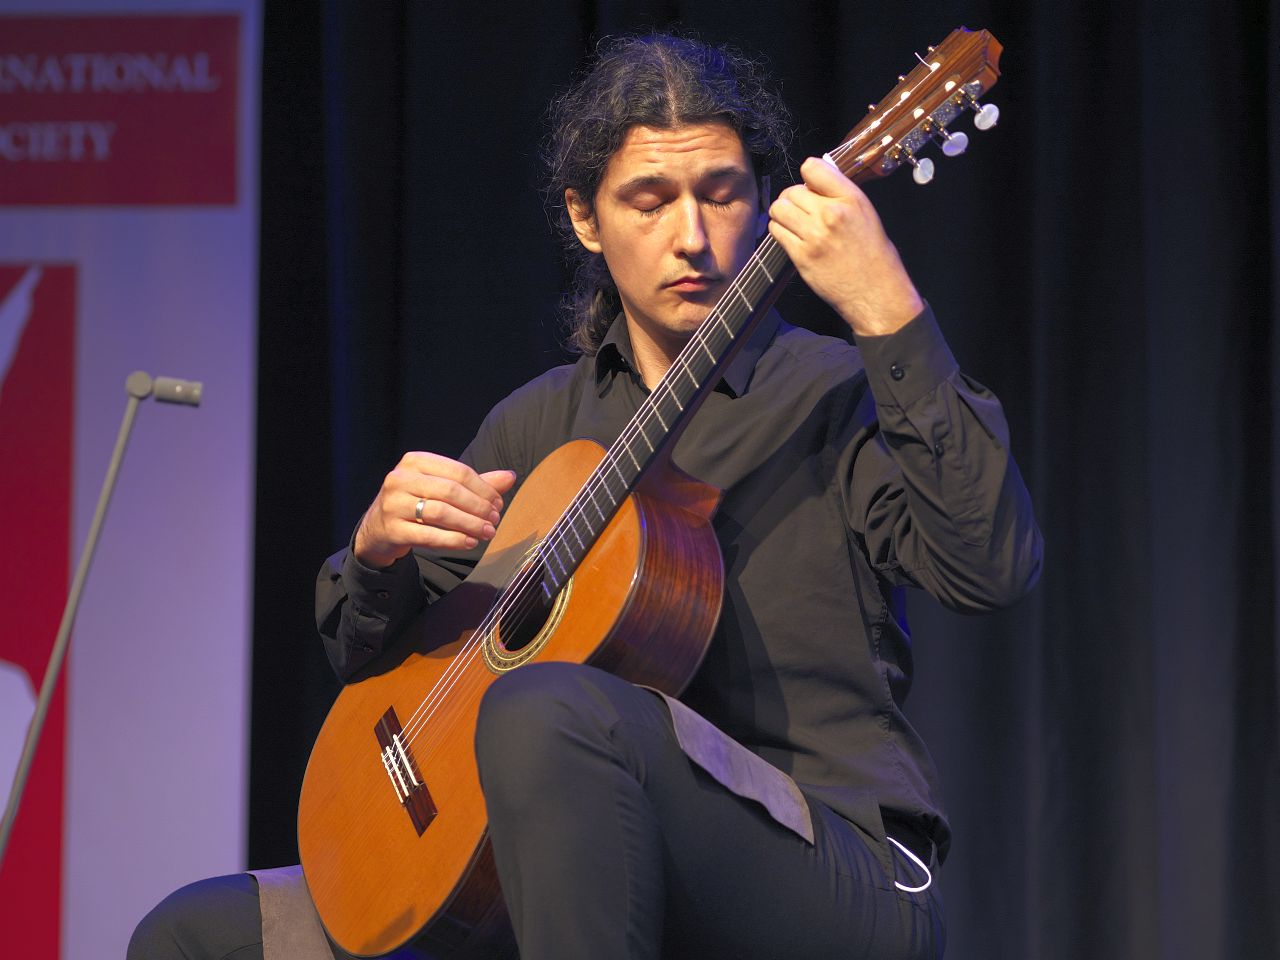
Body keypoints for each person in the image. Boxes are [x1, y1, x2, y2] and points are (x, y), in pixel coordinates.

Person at [131, 33, 1041, 960]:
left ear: (766, 199)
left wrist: (888, 307)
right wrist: (377, 553)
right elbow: (371, 662)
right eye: (650, 200)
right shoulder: (540, 426)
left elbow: (990, 564)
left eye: (722, 193)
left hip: (829, 862)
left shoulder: (836, 394)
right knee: (191, 936)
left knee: (547, 710)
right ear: (585, 218)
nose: (693, 236)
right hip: (545, 866)